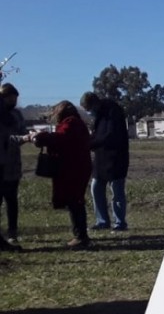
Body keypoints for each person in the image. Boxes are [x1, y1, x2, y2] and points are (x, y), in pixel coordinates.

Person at [33, 101, 94, 249]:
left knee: (75, 201)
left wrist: (42, 137)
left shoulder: (71, 123)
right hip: (77, 167)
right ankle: (80, 235)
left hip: (74, 168)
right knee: (75, 201)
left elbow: (61, 138)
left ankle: (81, 236)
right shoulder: (76, 123)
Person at [79, 91, 129, 232]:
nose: (89, 113)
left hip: (116, 157)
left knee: (117, 192)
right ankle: (102, 221)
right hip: (101, 158)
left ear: (94, 104)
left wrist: (90, 144)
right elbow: (97, 133)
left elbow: (110, 135)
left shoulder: (113, 112)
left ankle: (120, 223)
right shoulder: (100, 115)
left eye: (89, 109)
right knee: (96, 188)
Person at [0, 84, 33, 246]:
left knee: (12, 199)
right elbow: (6, 138)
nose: (13, 101)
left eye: (15, 98)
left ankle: (12, 231)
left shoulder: (17, 115)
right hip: (2, 161)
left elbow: (21, 132)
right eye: (10, 98)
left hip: (13, 163)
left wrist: (28, 136)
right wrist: (21, 139)